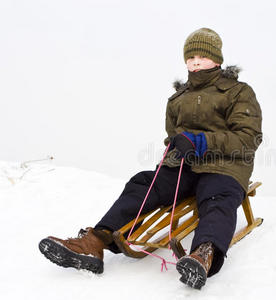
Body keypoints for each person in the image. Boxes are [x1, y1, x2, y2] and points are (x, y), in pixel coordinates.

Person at [38, 28, 263, 289]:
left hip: (224, 166)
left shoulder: (237, 92)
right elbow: (173, 137)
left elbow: (248, 137)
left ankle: (204, 254)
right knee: (143, 184)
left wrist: (203, 142)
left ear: (217, 59)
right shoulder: (178, 99)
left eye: (203, 56)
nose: (196, 62)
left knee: (216, 198)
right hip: (183, 166)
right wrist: (175, 151)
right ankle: (95, 241)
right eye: (190, 57)